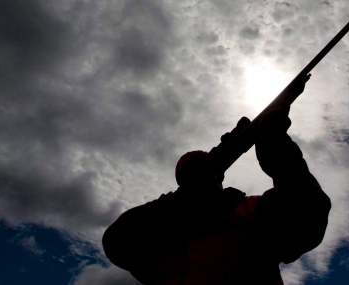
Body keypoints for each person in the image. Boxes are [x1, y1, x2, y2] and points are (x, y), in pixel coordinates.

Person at [102, 107, 332, 285]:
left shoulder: (249, 212)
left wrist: (272, 139)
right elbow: (116, 241)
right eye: (198, 170)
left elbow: (308, 208)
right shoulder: (160, 240)